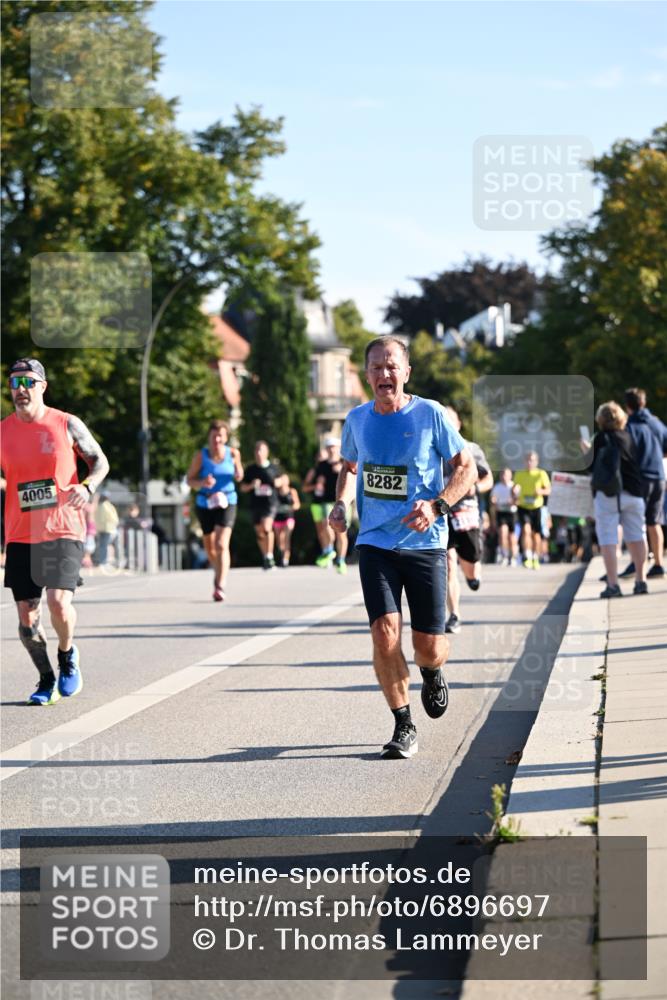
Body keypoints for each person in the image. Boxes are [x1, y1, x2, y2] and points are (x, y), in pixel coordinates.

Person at [329, 337, 477, 760]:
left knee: (428, 645)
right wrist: (343, 503)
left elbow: (465, 467)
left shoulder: (430, 414)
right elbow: (350, 468)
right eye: (375, 367)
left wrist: (438, 505)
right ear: (367, 375)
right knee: (384, 633)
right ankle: (403, 723)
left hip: (426, 543)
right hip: (375, 542)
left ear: (406, 372)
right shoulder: (357, 419)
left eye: (391, 366)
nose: (384, 374)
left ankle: (432, 672)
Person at [1, 358, 109, 705]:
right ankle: (45, 679)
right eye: (15, 382)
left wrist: (88, 487)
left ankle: (66, 655)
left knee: (58, 603)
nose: (20, 389)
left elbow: (99, 461)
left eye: (28, 382)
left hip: (64, 526)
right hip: (21, 532)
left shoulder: (66, 424)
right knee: (26, 618)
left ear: (43, 387)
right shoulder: (2, 431)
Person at [441, 406, 493, 635]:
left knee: (469, 562)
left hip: (466, 514)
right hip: (440, 512)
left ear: (458, 424)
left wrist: (474, 487)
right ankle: (454, 615)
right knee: (448, 564)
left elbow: (487, 478)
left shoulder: (471, 449)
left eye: (449, 420)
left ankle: (473, 575)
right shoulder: (433, 450)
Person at [587, 402, 647, 598]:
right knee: (637, 537)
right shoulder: (629, 437)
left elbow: (591, 467)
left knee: (608, 540)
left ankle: (613, 584)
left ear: (601, 420)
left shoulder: (600, 439)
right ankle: (641, 580)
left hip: (607, 494)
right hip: (633, 492)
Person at [186, 420, 243, 601]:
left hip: (227, 501)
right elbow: (189, 480)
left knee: (220, 544)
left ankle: (220, 584)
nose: (217, 439)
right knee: (210, 547)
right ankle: (218, 569)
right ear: (209, 437)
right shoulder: (201, 456)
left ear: (225, 438)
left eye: (220, 436)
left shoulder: (233, 453)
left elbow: (239, 475)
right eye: (214, 436)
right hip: (205, 503)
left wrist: (238, 470)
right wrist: (202, 483)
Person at [620, 388, 667, 579]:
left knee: (636, 523)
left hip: (640, 479)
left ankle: (637, 563)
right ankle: (658, 564)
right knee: (654, 521)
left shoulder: (629, 426)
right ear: (643, 403)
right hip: (659, 477)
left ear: (627, 406)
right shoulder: (657, 423)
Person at [240, 440, 281, 570]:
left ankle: (269, 556)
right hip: (255, 504)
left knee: (267, 527)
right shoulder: (250, 469)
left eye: (261, 450)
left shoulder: (273, 468)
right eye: (256, 450)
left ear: (266, 452)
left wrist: (277, 482)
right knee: (259, 532)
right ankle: (266, 557)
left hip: (270, 503)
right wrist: (251, 485)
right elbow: (242, 488)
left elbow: (284, 480)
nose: (258, 453)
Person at [312, 436, 349, 573]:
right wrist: (319, 484)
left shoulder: (344, 463)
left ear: (339, 448)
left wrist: (341, 471)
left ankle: (341, 559)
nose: (332, 449)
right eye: (330, 447)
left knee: (341, 532)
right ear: (327, 449)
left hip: (342, 501)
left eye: (334, 447)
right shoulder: (322, 465)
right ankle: (329, 550)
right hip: (326, 501)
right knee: (327, 524)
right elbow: (317, 481)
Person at [514, 452, 551, 569]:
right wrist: (514, 492)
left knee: (536, 534)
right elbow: (514, 489)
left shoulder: (541, 473)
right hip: (523, 506)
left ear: (536, 462)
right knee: (526, 530)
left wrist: (541, 491)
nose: (530, 462)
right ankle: (527, 556)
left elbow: (549, 490)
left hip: (536, 507)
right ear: (525, 462)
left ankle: (536, 557)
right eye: (528, 460)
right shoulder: (519, 474)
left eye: (532, 460)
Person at [491, 467, 520, 567]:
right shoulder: (497, 487)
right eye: (503, 474)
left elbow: (518, 501)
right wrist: (494, 502)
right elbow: (493, 499)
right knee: (503, 533)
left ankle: (513, 557)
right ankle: (504, 556)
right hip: (501, 513)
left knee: (512, 537)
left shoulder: (514, 486)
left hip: (511, 513)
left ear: (510, 476)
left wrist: (513, 501)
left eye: (506, 475)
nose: (504, 477)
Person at [273, 473, 301, 567]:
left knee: (286, 538)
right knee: (279, 540)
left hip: (288, 518)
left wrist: (290, 507)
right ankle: (281, 555)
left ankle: (285, 559)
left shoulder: (292, 491)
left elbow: (297, 504)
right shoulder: (275, 491)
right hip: (277, 518)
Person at [93, 492, 119, 567]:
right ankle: (104, 562)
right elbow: (113, 517)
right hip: (109, 528)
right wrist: (116, 523)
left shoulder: (99, 506)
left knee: (102, 545)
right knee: (108, 545)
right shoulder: (107, 505)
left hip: (100, 528)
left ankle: (102, 561)